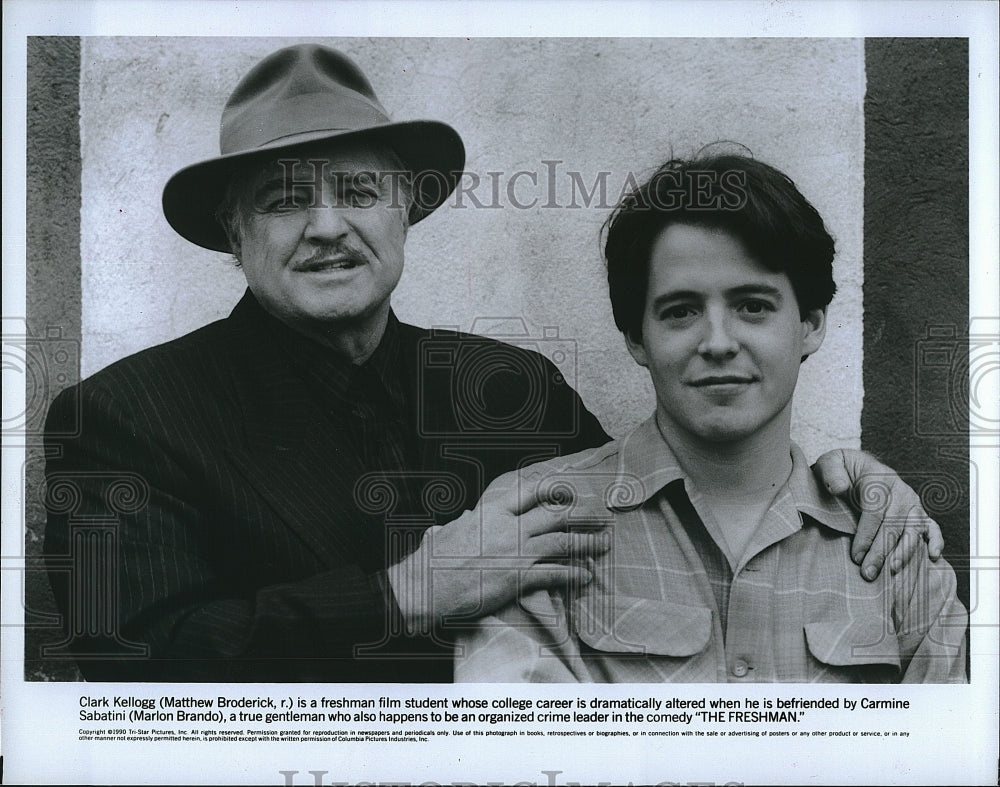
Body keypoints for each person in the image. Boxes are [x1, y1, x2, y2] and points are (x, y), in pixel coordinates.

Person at [43, 44, 943, 682]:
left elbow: (666, 498)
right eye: (283, 201)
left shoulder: (505, 390)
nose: (326, 226)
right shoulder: (127, 414)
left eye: (358, 191)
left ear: (407, 214)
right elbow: (134, 664)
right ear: (231, 233)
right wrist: (413, 590)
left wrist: (840, 478)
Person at [455, 153, 967, 683]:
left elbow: (938, 761)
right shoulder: (533, 526)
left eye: (753, 306)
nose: (719, 343)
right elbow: (523, 757)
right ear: (636, 338)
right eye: (681, 311)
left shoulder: (893, 546)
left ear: (811, 324)